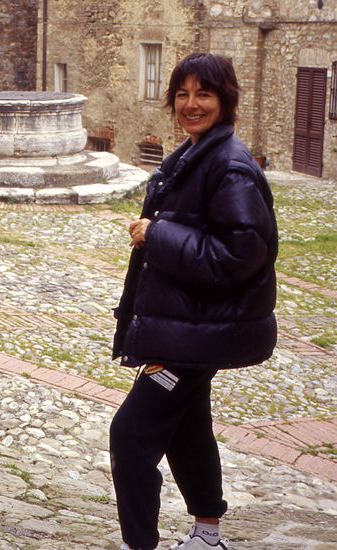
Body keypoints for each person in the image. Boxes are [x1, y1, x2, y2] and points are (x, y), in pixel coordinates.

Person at [109, 53, 278, 550]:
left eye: (203, 93)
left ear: (225, 99)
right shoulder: (195, 154)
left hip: (194, 335)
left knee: (131, 434)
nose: (191, 104)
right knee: (186, 427)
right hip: (189, 329)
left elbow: (240, 254)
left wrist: (156, 235)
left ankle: (139, 544)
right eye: (182, 94)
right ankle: (208, 535)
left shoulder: (229, 167)